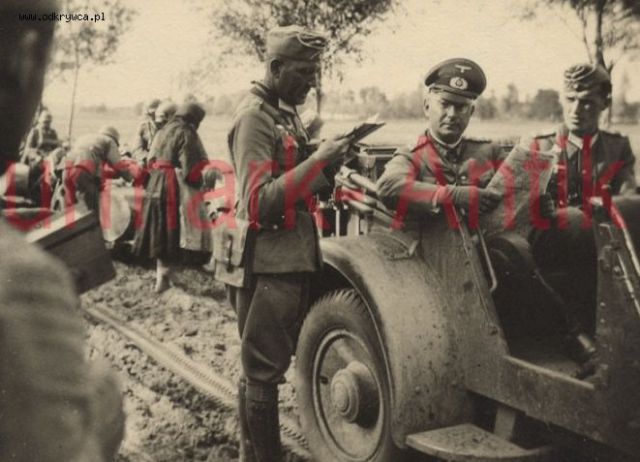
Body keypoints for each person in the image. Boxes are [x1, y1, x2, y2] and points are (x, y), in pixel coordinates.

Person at [0, 1, 124, 461]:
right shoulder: (22, 285)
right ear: (25, 58)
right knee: (83, 209)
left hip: (63, 171)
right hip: (74, 174)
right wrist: (104, 416)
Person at [225, 25, 350, 461]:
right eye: (304, 72)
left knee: (259, 367)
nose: (312, 81)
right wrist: (319, 160)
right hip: (268, 262)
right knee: (262, 370)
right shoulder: (255, 117)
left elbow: (293, 181)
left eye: (315, 71)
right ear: (276, 67)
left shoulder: (283, 112)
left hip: (288, 256)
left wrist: (330, 164)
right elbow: (259, 202)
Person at [505, 63, 637, 367]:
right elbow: (518, 207)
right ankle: (578, 338)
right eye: (570, 99)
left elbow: (628, 197)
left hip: (603, 241)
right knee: (577, 225)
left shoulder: (617, 147)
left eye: (587, 101)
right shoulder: (538, 145)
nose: (577, 109)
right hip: (548, 243)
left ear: (605, 103)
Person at [377, 58, 504, 225]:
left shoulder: (490, 151)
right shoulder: (413, 154)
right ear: (427, 107)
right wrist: (454, 195)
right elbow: (388, 187)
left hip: (485, 238)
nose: (452, 114)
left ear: (471, 112)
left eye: (461, 107)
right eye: (445, 104)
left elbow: (518, 190)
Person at [132, 102, 210, 293]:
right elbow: (191, 168)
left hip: (155, 181)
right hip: (171, 184)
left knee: (159, 229)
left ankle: (161, 274)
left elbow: (149, 160)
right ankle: (166, 276)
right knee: (173, 229)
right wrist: (198, 183)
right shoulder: (186, 133)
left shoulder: (162, 130)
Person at [64, 126, 134, 212]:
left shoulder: (86, 138)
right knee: (95, 207)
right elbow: (118, 165)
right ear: (115, 139)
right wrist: (131, 177)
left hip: (66, 169)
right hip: (82, 170)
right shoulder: (109, 141)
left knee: (70, 212)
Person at [132, 98, 161, 166]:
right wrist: (147, 158)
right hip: (149, 160)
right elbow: (137, 148)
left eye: (154, 113)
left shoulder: (168, 126)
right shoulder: (143, 127)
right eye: (149, 114)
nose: (152, 117)